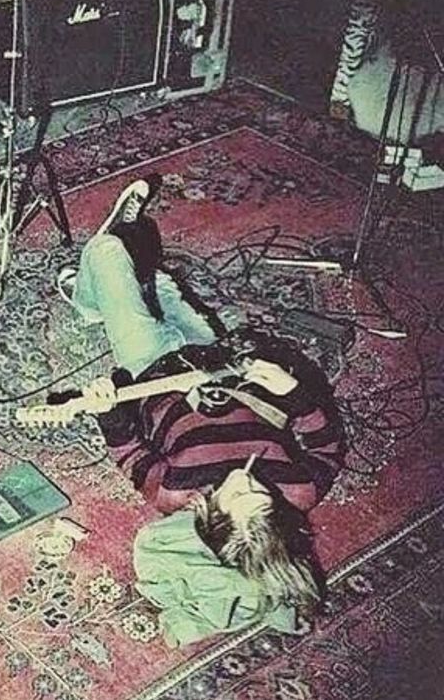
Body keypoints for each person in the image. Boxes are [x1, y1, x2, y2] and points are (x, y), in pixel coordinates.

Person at [54, 178, 346, 642]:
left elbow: (128, 449)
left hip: (149, 365)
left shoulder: (173, 494)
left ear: (210, 517)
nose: (250, 480)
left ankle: (90, 298)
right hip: (215, 358)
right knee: (165, 284)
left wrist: (107, 409)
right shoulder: (299, 492)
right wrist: (292, 393)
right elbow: (328, 444)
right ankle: (115, 289)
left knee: (108, 251)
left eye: (238, 495)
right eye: (262, 496)